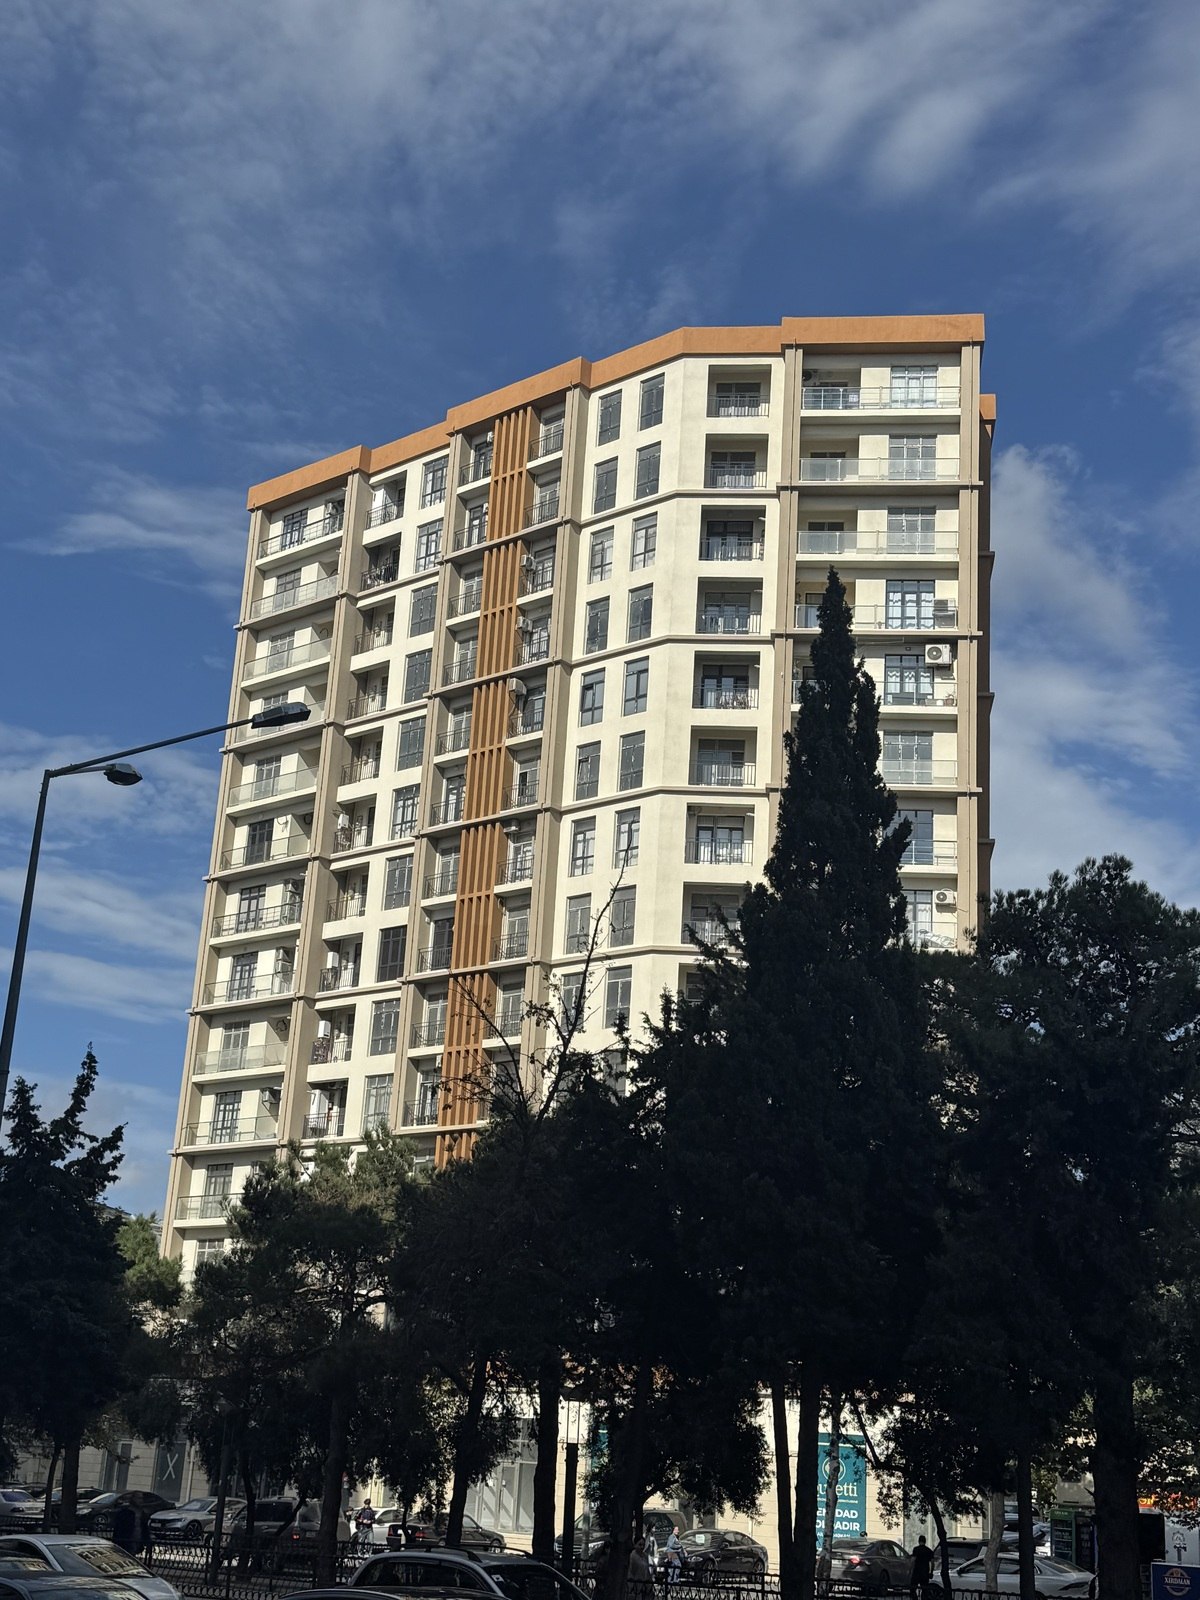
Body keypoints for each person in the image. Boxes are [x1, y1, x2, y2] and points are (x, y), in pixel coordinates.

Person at [910, 1534, 935, 1599]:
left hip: (916, 1572)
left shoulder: (916, 1549)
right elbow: (932, 1563)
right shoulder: (929, 1551)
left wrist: (910, 1570)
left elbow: (912, 1561)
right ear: (925, 1541)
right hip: (925, 1573)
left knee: (912, 1588)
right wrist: (931, 1572)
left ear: (919, 1541)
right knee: (924, 1590)